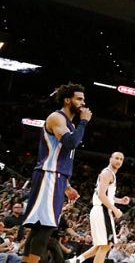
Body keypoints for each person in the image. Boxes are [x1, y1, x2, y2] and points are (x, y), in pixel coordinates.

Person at [21, 84, 92, 263]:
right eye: (79, 99)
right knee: (45, 228)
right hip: (49, 175)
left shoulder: (69, 123)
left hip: (57, 177)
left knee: (40, 228)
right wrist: (84, 122)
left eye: (83, 99)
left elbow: (63, 156)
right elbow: (70, 142)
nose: (83, 103)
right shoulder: (56, 117)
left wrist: (67, 185)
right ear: (67, 100)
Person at [66, 152, 130, 263]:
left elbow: (103, 194)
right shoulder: (107, 174)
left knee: (102, 244)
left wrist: (119, 200)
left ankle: (77, 260)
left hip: (100, 210)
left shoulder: (108, 174)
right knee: (106, 245)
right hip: (102, 210)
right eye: (116, 158)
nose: (119, 161)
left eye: (121, 159)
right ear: (110, 159)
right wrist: (115, 210)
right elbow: (101, 195)